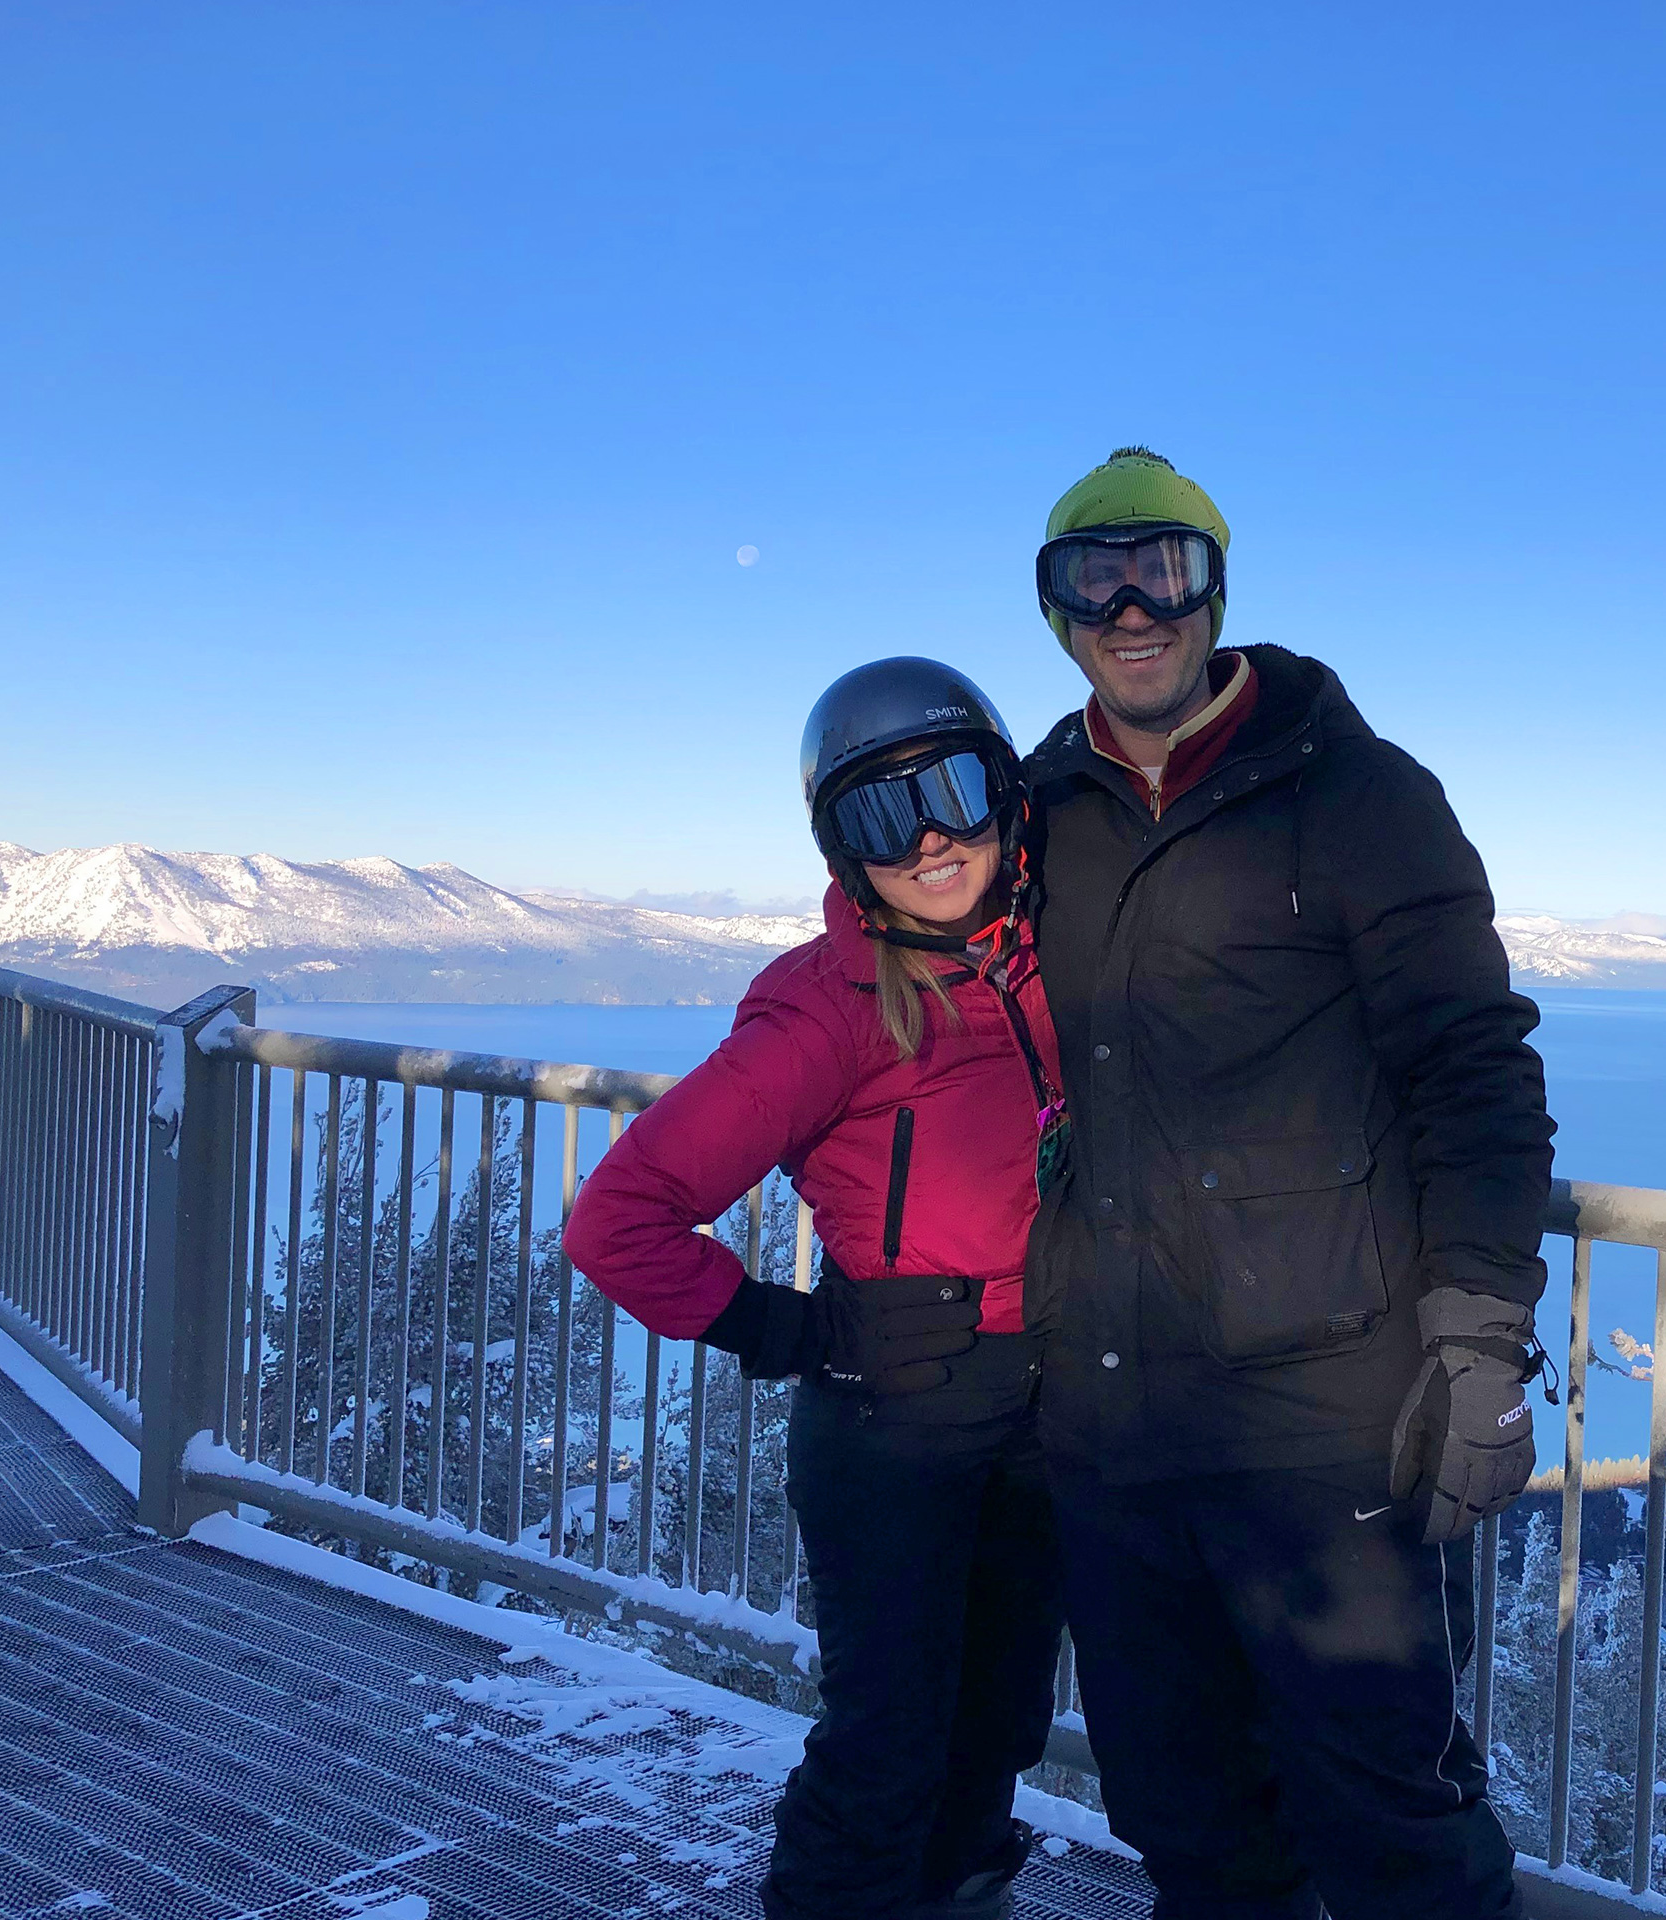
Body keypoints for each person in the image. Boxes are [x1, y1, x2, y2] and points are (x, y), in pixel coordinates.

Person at [1018, 447, 1558, 1920]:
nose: (1133, 606)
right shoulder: (1038, 810)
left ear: (1217, 586)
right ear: (1055, 606)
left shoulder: (1359, 795)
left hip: (1326, 1423)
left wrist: (1477, 1337)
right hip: (1118, 1417)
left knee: (1390, 1820)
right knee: (1181, 1814)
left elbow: (1476, 1069)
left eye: (1166, 569)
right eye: (1093, 575)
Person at [562, 658, 1065, 1920]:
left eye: (953, 788)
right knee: (886, 1744)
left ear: (1006, 796)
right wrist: (789, 1326)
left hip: (1050, 1408)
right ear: (841, 851)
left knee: (996, 1723)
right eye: (882, 816)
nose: (933, 837)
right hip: (896, 1417)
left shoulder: (1059, 961)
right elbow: (617, 1220)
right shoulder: (823, 1011)